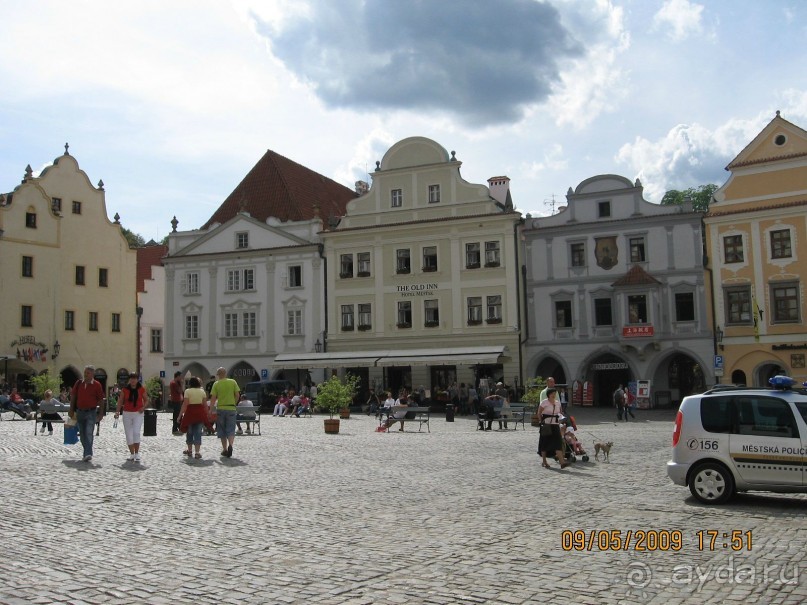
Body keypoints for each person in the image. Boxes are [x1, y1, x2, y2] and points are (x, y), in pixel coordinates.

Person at [69, 365, 105, 462]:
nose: (85, 375)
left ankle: (88, 453)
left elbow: (101, 400)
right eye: (85, 372)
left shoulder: (97, 385)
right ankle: (87, 451)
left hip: (91, 412)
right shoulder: (79, 383)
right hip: (80, 411)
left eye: (88, 373)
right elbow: (73, 397)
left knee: (89, 433)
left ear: (92, 374)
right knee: (82, 434)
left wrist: (101, 413)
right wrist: (71, 409)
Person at [114, 371, 147, 463]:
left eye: (135, 378)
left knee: (136, 432)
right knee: (128, 434)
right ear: (130, 380)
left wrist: (143, 407)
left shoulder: (141, 389)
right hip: (127, 413)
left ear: (137, 379)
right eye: (131, 378)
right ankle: (132, 453)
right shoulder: (125, 390)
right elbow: (120, 401)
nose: (133, 380)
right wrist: (117, 412)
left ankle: (137, 453)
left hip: (138, 413)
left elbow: (147, 400)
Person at [209, 367, 240, 458]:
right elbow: (237, 395)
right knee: (231, 429)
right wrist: (234, 403)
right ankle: (231, 444)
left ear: (218, 375)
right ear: (225, 373)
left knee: (222, 430)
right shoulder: (233, 382)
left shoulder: (216, 384)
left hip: (221, 409)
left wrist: (210, 409)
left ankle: (225, 449)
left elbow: (213, 398)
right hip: (231, 408)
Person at [179, 376, 210, 458]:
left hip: (190, 413)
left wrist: (180, 416)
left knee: (189, 432)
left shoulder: (187, 391)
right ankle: (197, 452)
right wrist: (207, 414)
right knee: (198, 432)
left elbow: (185, 404)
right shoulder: (202, 391)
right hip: (199, 413)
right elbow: (205, 405)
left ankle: (189, 450)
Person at [538, 388, 568, 469]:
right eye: (552, 393)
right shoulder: (544, 402)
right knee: (545, 443)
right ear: (549, 394)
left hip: (555, 424)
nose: (554, 395)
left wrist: (562, 419)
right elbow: (539, 413)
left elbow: (560, 413)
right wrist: (541, 422)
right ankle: (544, 461)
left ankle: (562, 462)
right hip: (546, 425)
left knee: (558, 442)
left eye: (555, 393)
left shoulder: (558, 403)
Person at [169, 371, 184, 436]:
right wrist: (181, 384)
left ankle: (179, 428)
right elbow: (180, 391)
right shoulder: (174, 383)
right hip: (176, 401)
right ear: (177, 376)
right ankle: (175, 429)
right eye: (180, 376)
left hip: (178, 400)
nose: (181, 378)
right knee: (176, 415)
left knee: (179, 415)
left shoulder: (175, 383)